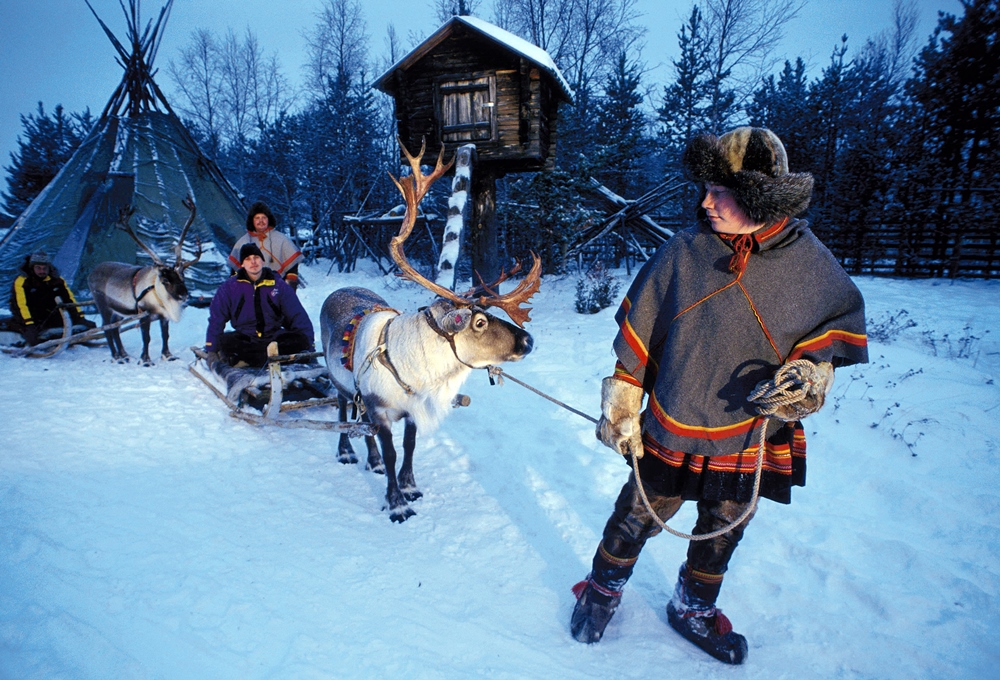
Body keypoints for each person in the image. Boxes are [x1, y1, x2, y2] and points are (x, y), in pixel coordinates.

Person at [569, 127, 869, 664]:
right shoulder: (685, 252)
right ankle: (601, 590)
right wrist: (622, 396)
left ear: (761, 197)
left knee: (722, 530)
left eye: (721, 191)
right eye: (705, 188)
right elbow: (642, 327)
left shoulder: (810, 264)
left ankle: (693, 608)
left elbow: (833, 327)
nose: (705, 201)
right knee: (638, 513)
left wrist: (811, 375)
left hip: (750, 432)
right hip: (675, 418)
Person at [206, 243, 314, 368]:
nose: (253, 262)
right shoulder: (229, 288)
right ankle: (277, 359)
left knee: (299, 340)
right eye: (247, 259)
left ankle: (249, 362)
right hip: (247, 340)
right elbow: (216, 319)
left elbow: (297, 315)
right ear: (242, 264)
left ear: (262, 261)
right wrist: (211, 349)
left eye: (256, 257)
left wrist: (308, 346)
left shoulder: (278, 285)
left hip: (275, 339)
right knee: (225, 342)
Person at [8, 250, 95, 345]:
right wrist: (29, 324)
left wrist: (80, 317)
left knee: (88, 327)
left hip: (52, 317)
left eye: (44, 268)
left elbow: (69, 300)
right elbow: (20, 305)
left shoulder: (57, 281)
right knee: (35, 339)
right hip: (31, 319)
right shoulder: (23, 281)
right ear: (32, 268)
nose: (42, 271)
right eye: (38, 268)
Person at [228, 201, 303, 289]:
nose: (261, 221)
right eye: (257, 218)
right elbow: (235, 271)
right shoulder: (243, 241)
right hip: (251, 291)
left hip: (277, 289)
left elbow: (292, 268)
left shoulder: (282, 239)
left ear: (269, 219)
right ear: (252, 220)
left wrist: (290, 287)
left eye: (264, 217)